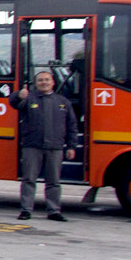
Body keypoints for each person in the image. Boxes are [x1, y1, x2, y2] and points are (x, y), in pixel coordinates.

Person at [12, 69, 81, 221]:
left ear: (53, 82)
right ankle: (26, 210)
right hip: (32, 146)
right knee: (29, 179)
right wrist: (18, 95)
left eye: (47, 80)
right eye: (40, 80)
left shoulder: (63, 102)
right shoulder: (28, 99)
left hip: (55, 147)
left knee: (54, 182)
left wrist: (71, 146)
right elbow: (13, 103)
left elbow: (72, 126)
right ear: (35, 84)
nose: (44, 83)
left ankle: (54, 211)